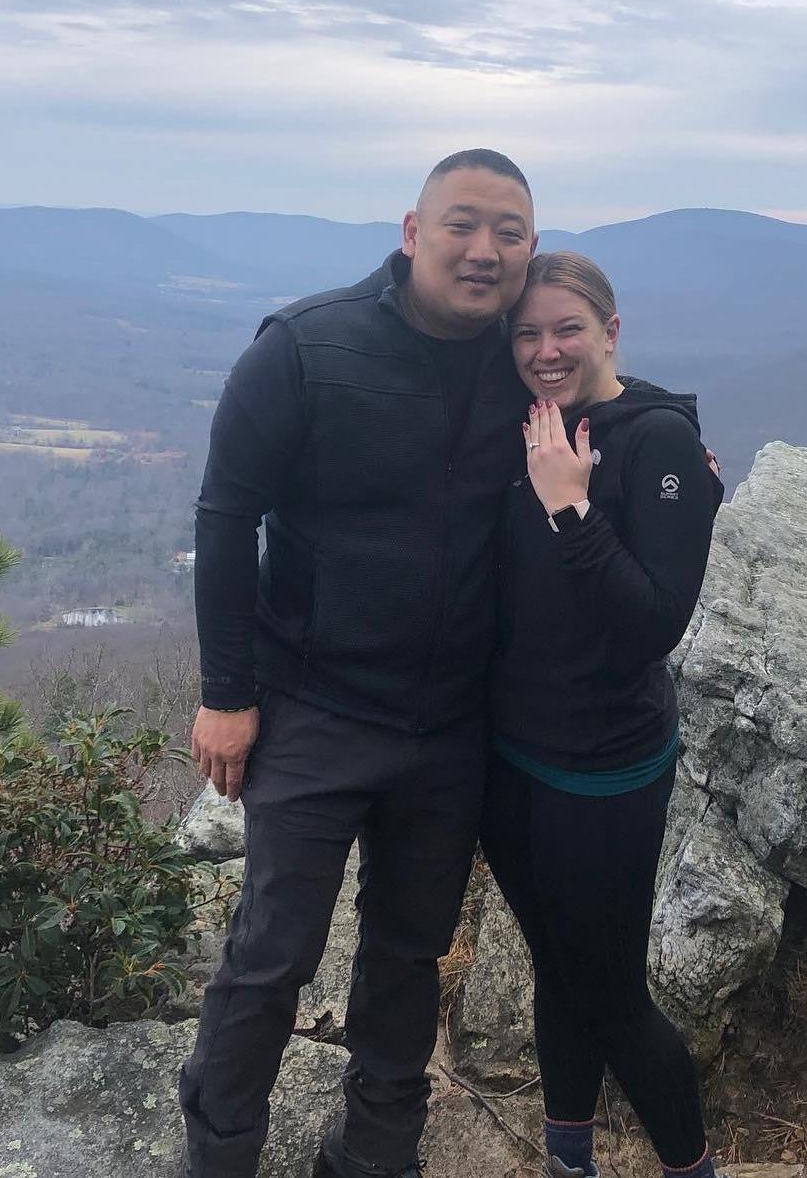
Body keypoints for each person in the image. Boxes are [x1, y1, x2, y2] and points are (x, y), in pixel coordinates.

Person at [178, 149, 537, 1178]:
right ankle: (220, 1156)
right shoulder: (306, 346)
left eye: (509, 232)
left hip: (451, 724)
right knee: (271, 956)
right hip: (312, 708)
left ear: (529, 250)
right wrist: (225, 694)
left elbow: (601, 395)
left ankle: (377, 1155)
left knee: (408, 954)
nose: (485, 250)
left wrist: (670, 452)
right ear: (414, 231)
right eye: (463, 224)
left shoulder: (519, 359)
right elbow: (225, 513)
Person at [481, 251, 724, 1178]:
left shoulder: (655, 441)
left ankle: (692, 1169)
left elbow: (652, 625)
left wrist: (571, 509)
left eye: (567, 330)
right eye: (527, 333)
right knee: (560, 972)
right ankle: (568, 1160)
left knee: (614, 996)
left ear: (610, 333)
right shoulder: (527, 422)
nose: (546, 350)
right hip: (510, 762)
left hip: (604, 769)